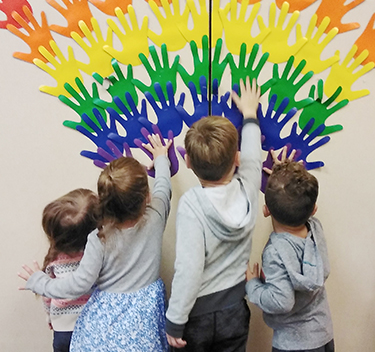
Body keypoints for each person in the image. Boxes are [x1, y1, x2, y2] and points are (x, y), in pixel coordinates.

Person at [19, 133, 172, 352]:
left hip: (104, 328)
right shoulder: (156, 216)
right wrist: (161, 158)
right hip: (143, 322)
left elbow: (78, 285)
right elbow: (163, 188)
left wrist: (38, 282)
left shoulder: (99, 238)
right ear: (147, 197)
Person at [166, 77, 262, 351]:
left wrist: (175, 319)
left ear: (187, 162)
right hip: (235, 309)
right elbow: (253, 159)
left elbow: (189, 268)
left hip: (197, 315)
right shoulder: (248, 190)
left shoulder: (192, 204)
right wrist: (250, 115)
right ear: (236, 159)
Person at [246, 148, 334, 352]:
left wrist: (253, 286)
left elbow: (281, 301)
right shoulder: (315, 229)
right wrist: (283, 175)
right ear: (313, 210)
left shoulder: (275, 252)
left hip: (294, 345)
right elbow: (298, 200)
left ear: (266, 210)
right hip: (322, 334)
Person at [41, 188, 99, 352]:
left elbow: (47, 293)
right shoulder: (97, 255)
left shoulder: (54, 259)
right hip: (92, 326)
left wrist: (49, 316)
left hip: (62, 328)